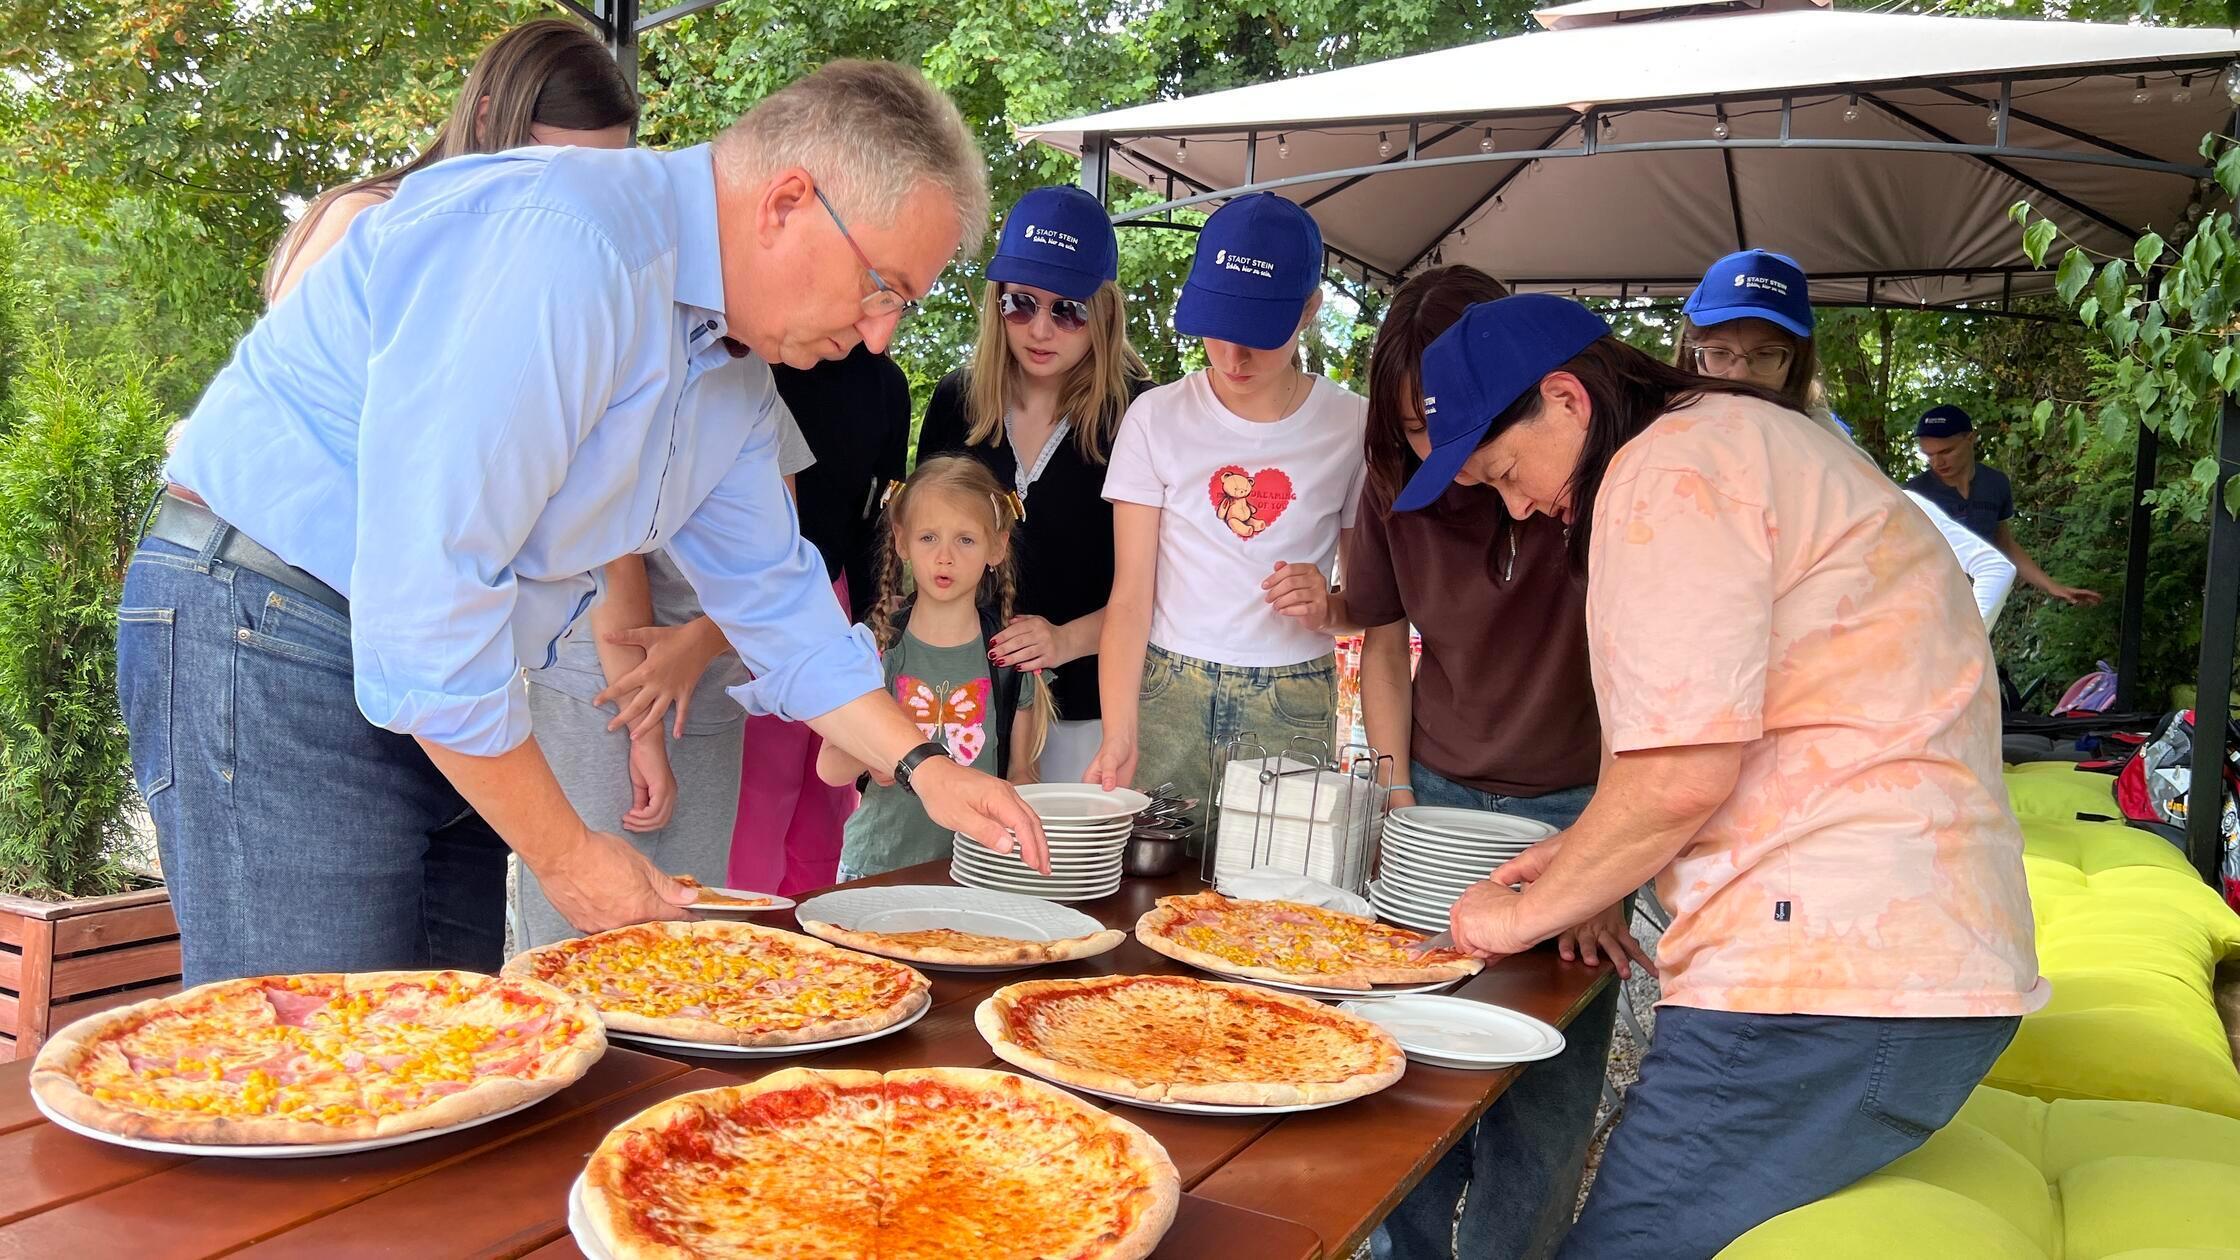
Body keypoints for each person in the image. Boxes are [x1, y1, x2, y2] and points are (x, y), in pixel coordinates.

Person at [121, 58, 1047, 988]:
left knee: (444, 1050)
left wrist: (929, 767)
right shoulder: (569, 246)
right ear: (787, 202)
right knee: (315, 1065)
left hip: (408, 658)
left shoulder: (732, 371)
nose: (880, 335)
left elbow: (778, 603)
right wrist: (568, 856)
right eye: (882, 286)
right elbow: (430, 602)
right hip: (273, 617)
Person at [1399, 294, 2045, 1259]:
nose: (1517, 505)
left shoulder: (1668, 471)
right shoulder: (1744, 437)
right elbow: (1697, 738)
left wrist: (1499, 920)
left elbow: (1680, 775)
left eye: (1502, 473)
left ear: (1567, 401)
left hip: (1828, 982)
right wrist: (1577, 858)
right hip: (1904, 961)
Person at [1351, 266, 1633, 1260]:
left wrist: (1608, 856)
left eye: (1451, 423)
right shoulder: (1391, 480)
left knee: (1542, 1089)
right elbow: (1380, 640)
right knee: (1410, 1069)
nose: (1440, 449)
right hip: (1430, 793)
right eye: (1413, 425)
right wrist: (1393, 797)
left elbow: (1644, 682)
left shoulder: (1587, 471)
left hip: (1576, 805)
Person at [1089, 193, 1366, 829]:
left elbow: (1367, 606)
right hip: (1167, 690)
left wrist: (1329, 606)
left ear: (1310, 309)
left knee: (1271, 898)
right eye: (1218, 328)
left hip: (1291, 693)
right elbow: (1130, 598)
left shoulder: (1351, 423)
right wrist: (1118, 731)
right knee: (1149, 882)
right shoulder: (1155, 416)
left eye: (1258, 337)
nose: (1233, 357)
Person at [916, 185, 1152, 784]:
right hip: (960, 705)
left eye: (1067, 309)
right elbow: (917, 552)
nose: (1041, 329)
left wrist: (1065, 641)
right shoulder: (955, 402)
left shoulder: (1141, 415)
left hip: (1090, 716)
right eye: (1021, 303)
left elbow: (1162, 587)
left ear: (1103, 311)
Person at [1679, 251, 2018, 627]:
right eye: (1717, 353)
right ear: (1691, 352)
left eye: (1766, 355)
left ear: (1796, 361)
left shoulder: (1829, 452)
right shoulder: (1668, 442)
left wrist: (1954, 658)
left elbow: (1991, 566)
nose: (1738, 374)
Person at [263, 19, 638, 304]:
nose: (581, 199)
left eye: (603, 180)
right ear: (487, 121)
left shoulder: (526, 249)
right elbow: (283, 386)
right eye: (563, 168)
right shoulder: (364, 221)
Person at [728, 346, 914, 896]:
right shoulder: (757, 361)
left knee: (827, 798)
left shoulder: (886, 384)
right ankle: (750, 944)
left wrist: (873, 625)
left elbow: (878, 518)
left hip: (844, 608)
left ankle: (812, 945)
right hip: (764, 611)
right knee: (763, 795)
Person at [818, 457, 1050, 879]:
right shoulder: (877, 649)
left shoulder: (1008, 659)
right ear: (902, 541)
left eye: (965, 540)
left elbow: (1022, 778)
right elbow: (829, 768)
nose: (945, 557)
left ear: (996, 547)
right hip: (876, 869)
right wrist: (876, 754)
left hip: (976, 875)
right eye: (928, 537)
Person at [1909, 404, 2101, 606]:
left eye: (1946, 451)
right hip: (1930, 604)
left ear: (1970, 439)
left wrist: (2052, 587)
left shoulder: (1995, 483)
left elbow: (2004, 544)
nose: (1937, 462)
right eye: (1929, 455)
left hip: (1982, 598)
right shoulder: (1913, 495)